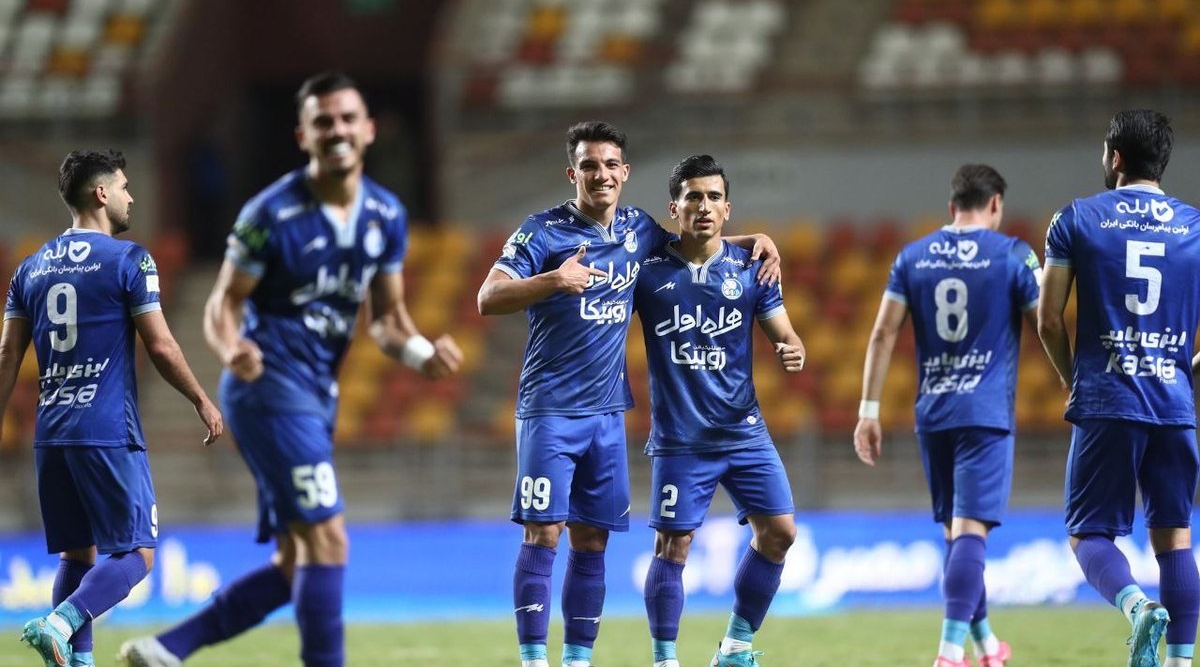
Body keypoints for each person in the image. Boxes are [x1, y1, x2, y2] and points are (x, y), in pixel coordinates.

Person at [118, 72, 462, 667]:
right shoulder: (270, 213)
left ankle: (167, 648)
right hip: (268, 388)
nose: (337, 130)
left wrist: (421, 354)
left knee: (295, 561)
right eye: (323, 121)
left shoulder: (385, 214)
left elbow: (387, 320)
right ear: (303, 135)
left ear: (369, 130)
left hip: (316, 394)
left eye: (348, 118)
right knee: (328, 539)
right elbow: (222, 303)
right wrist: (231, 348)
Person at [477, 122, 780, 667]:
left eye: (610, 164)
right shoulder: (542, 232)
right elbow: (489, 296)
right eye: (589, 166)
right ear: (572, 173)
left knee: (592, 540)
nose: (601, 175)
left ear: (624, 172)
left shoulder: (638, 230)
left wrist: (754, 240)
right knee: (543, 533)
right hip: (550, 407)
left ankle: (577, 660)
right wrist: (553, 281)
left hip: (608, 413)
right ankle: (533, 660)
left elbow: (694, 245)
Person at [0, 149, 223, 667]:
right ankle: (60, 623)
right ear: (101, 194)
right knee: (137, 554)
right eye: (124, 187)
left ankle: (77, 662)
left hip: (51, 431)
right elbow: (160, 346)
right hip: (105, 427)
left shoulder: (29, 267)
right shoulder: (130, 260)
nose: (131, 197)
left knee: (77, 554)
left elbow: (8, 354)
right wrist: (201, 398)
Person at [854, 164, 1040, 667]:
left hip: (934, 412)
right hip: (984, 412)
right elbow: (1045, 321)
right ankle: (949, 654)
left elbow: (882, 333)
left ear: (953, 205)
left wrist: (868, 410)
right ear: (995, 203)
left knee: (956, 537)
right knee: (970, 534)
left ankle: (986, 647)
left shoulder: (911, 256)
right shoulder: (1013, 253)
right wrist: (1072, 376)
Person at [1039, 109, 1200, 667]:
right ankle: (1180, 662)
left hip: (1107, 398)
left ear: (1115, 156)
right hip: (1175, 403)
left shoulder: (1076, 218)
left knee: (1087, 535)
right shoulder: (1195, 225)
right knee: (1175, 538)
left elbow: (1049, 319)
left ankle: (1137, 607)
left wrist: (1072, 378)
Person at [634, 155, 804, 667]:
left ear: (727, 209)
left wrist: (791, 348)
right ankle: (665, 660)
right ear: (675, 208)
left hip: (743, 431)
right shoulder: (647, 270)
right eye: (693, 196)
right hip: (682, 438)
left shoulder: (752, 268)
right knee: (673, 547)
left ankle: (735, 647)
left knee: (780, 532)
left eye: (713, 197)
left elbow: (785, 332)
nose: (703, 206)